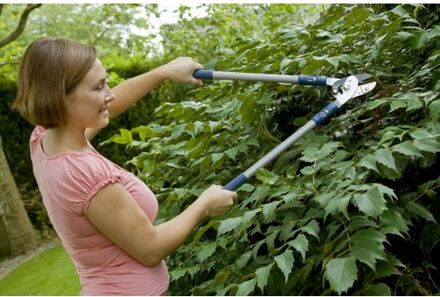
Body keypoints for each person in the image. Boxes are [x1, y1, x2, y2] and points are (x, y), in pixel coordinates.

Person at [12, 37, 237, 296]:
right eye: (98, 87)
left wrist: (162, 72)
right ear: (60, 96)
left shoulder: (45, 139)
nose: (110, 94)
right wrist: (204, 204)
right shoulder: (82, 172)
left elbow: (111, 105)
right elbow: (149, 249)